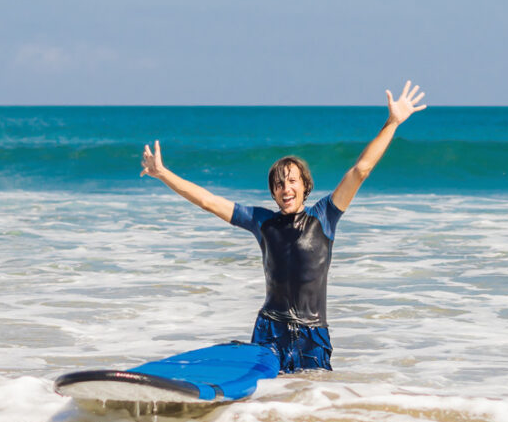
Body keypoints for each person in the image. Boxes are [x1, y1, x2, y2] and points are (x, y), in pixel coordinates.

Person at [141, 81, 426, 372]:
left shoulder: (324, 216)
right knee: (268, 402)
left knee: (308, 402)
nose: (285, 188)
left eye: (292, 181)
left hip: (311, 335)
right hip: (269, 331)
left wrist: (392, 123)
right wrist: (162, 173)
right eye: (278, 184)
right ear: (273, 192)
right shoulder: (262, 222)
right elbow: (208, 201)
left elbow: (360, 170)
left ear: (305, 186)